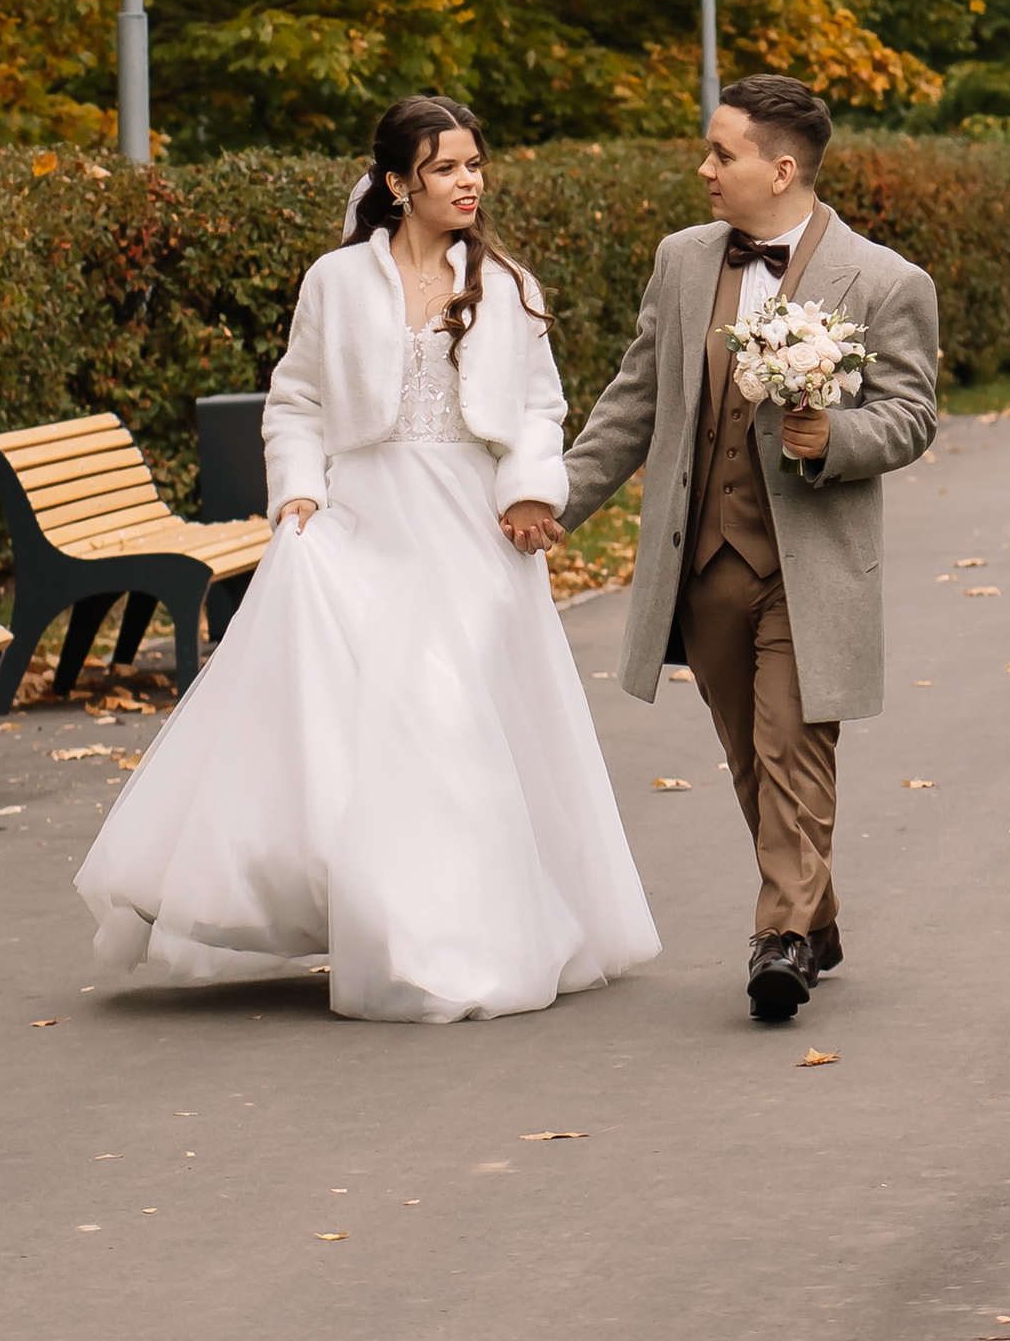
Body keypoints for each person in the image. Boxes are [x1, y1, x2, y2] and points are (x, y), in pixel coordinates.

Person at [75, 94, 660, 1025]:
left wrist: (530, 492)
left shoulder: (506, 284)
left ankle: (465, 937)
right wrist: (297, 488)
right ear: (398, 183)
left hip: (471, 528)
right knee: (384, 730)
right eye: (445, 168)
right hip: (363, 524)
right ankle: (400, 928)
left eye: (475, 164)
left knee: (453, 713)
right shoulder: (336, 281)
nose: (468, 182)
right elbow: (296, 398)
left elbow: (542, 409)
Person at [551, 73, 938, 1027]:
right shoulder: (682, 262)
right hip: (706, 563)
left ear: (784, 166)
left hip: (812, 564)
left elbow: (914, 413)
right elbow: (635, 399)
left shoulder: (885, 279)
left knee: (793, 744)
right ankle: (817, 914)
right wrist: (551, 503)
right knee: (749, 759)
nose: (705, 168)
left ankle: (779, 942)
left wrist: (834, 439)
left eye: (721, 152)